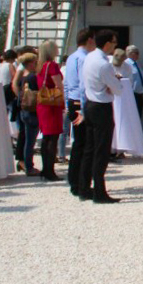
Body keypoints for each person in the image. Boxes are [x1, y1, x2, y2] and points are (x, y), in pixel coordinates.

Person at [78, 29, 123, 203]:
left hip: (90, 104)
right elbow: (118, 89)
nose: (115, 46)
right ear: (107, 44)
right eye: (114, 42)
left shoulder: (90, 57)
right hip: (101, 107)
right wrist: (114, 83)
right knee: (101, 151)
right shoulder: (104, 64)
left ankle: (84, 188)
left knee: (89, 149)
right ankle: (99, 191)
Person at [64, 29, 95, 196]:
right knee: (85, 145)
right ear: (89, 40)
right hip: (81, 102)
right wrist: (83, 109)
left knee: (78, 144)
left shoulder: (71, 57)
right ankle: (81, 183)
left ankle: (74, 180)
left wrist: (67, 104)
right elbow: (83, 86)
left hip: (72, 101)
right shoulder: (84, 59)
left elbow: (67, 84)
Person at [35, 40, 64, 181]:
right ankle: (49, 170)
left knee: (47, 138)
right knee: (53, 137)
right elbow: (59, 84)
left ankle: (46, 168)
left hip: (43, 104)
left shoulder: (40, 66)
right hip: (52, 104)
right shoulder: (52, 65)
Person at [13, 53, 40, 175]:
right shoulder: (32, 77)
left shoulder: (23, 77)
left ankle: (26, 164)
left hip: (24, 110)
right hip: (32, 111)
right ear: (30, 63)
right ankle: (29, 167)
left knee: (27, 139)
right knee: (30, 141)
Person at [125, 45, 143, 119]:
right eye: (136, 53)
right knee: (133, 116)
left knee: (138, 115)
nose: (138, 55)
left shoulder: (137, 64)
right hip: (132, 94)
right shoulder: (126, 64)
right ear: (130, 53)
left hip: (139, 94)